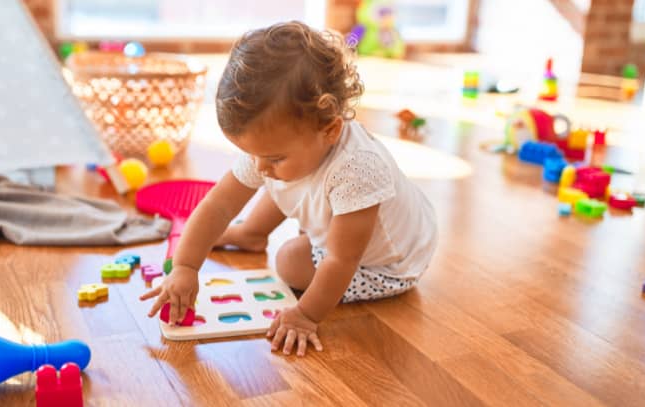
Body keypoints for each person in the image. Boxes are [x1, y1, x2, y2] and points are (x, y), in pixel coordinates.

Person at [140, 21, 437, 357]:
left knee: (289, 260)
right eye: (253, 153)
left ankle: (259, 236)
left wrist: (305, 315)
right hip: (344, 227)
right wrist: (185, 267)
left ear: (330, 130)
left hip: (388, 265)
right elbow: (218, 206)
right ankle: (252, 233)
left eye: (273, 156)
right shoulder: (281, 148)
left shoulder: (358, 168)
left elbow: (342, 260)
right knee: (281, 177)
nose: (259, 164)